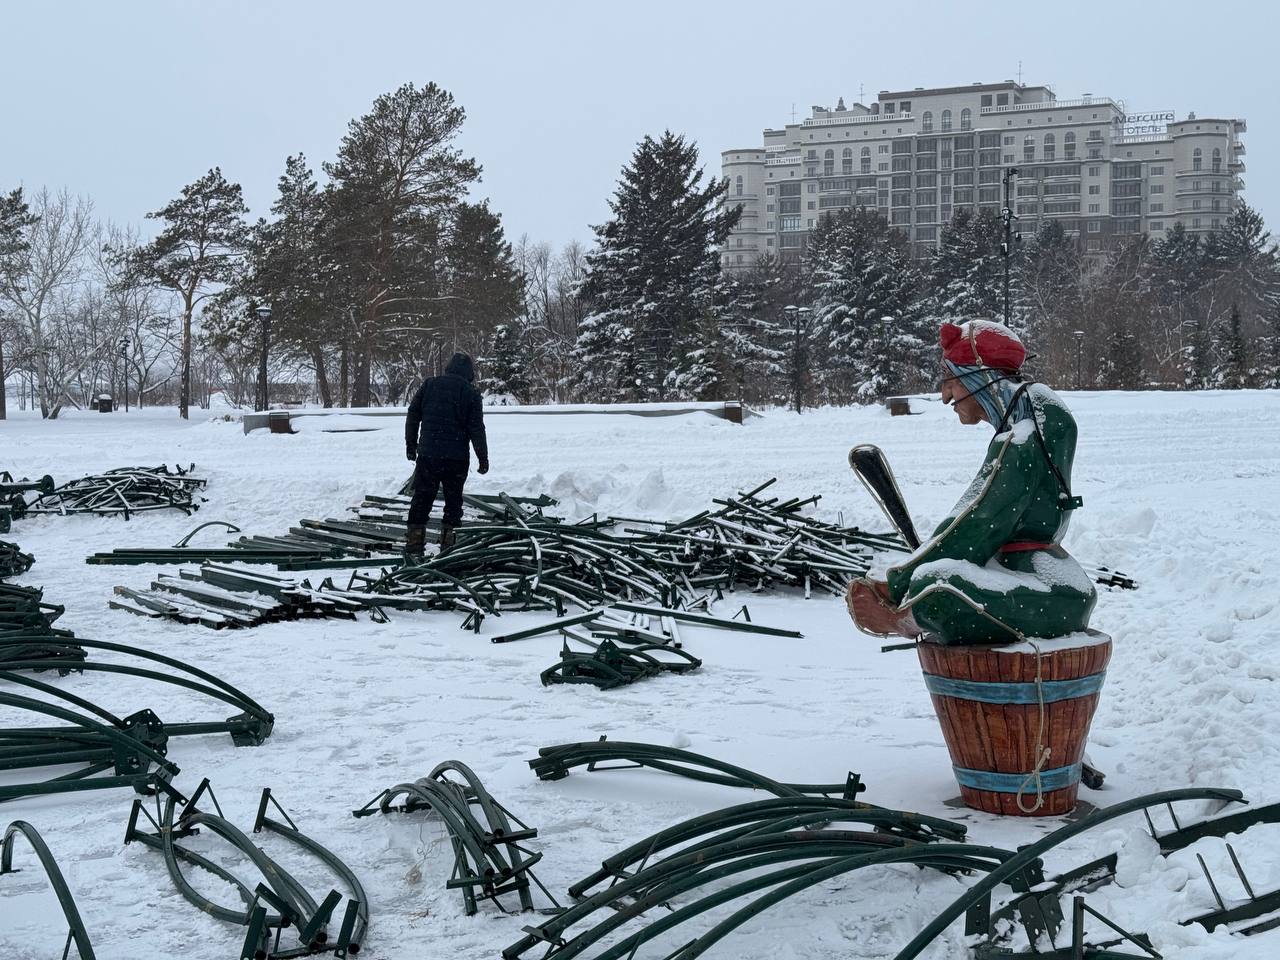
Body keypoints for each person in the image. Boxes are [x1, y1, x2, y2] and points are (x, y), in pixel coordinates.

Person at [847, 320, 1096, 645]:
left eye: (951, 379)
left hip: (1044, 583)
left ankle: (900, 619)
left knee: (937, 584)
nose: (945, 395)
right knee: (934, 579)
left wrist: (897, 585)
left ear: (979, 376)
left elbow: (978, 522)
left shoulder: (1021, 439)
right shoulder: (1034, 422)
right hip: (1052, 583)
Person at [404, 352, 489, 558]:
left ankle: (414, 543)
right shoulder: (470, 393)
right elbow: (476, 428)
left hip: (428, 455)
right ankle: (448, 544)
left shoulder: (429, 385)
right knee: (453, 501)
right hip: (456, 458)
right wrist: (482, 458)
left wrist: (411, 444)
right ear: (469, 373)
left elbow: (413, 415)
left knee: (422, 496)